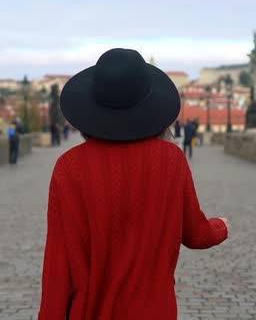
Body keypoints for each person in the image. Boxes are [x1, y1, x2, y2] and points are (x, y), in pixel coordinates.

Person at [38, 48, 230, 320]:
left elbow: (58, 264)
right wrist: (221, 227)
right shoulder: (171, 160)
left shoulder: (69, 167)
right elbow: (196, 233)